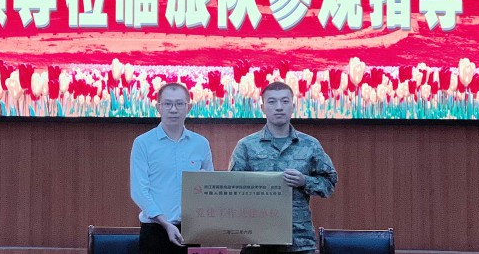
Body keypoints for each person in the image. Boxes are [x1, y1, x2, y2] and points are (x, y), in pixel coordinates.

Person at [229, 81, 337, 254]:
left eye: (285, 101)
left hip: (299, 240)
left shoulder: (310, 145)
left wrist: (304, 181)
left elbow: (329, 183)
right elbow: (232, 189)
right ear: (263, 108)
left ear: (293, 106)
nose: (279, 107)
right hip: (257, 239)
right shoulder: (246, 146)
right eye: (272, 102)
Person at [130, 82, 214, 254]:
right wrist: (165, 223)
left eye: (179, 104)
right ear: (158, 107)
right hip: (154, 230)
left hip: (191, 231)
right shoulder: (143, 143)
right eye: (167, 104)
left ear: (188, 107)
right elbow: (139, 191)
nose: (173, 109)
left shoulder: (201, 144)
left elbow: (209, 187)